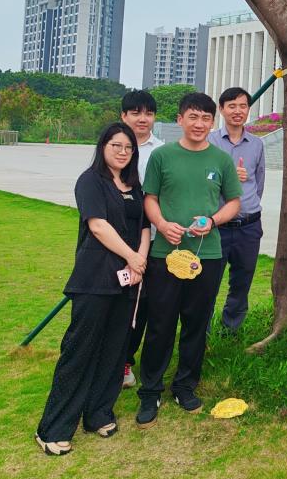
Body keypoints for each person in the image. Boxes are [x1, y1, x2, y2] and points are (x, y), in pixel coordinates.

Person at [35, 123, 149, 456]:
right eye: (116, 145)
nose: (123, 152)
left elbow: (144, 226)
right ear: (103, 147)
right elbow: (98, 226)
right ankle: (52, 428)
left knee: (115, 349)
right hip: (95, 278)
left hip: (128, 280)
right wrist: (131, 257)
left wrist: (139, 261)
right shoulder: (90, 181)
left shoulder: (134, 186)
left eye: (128, 148)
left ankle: (98, 413)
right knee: (80, 350)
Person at [135, 93, 242, 427]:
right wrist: (162, 224)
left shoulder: (221, 160)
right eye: (193, 117)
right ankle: (150, 390)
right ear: (180, 119)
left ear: (213, 122)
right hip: (165, 254)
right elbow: (150, 198)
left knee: (196, 323)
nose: (199, 124)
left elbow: (234, 202)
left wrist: (213, 221)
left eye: (206, 118)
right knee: (160, 324)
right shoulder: (162, 156)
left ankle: (185, 386)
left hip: (207, 255)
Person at [209, 86, 266, 334]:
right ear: (221, 109)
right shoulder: (209, 142)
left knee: (242, 282)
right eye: (231, 106)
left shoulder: (257, 144)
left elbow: (259, 182)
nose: (237, 111)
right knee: (208, 281)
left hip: (248, 225)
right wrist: (228, 177)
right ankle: (202, 332)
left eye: (243, 106)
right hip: (217, 225)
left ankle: (230, 330)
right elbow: (202, 179)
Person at [120, 89, 163, 389]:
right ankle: (107, 356)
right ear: (123, 116)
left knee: (142, 302)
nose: (142, 119)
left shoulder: (161, 151)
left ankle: (126, 361)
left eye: (148, 113)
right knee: (115, 300)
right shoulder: (113, 146)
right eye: (135, 113)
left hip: (152, 239)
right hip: (117, 238)